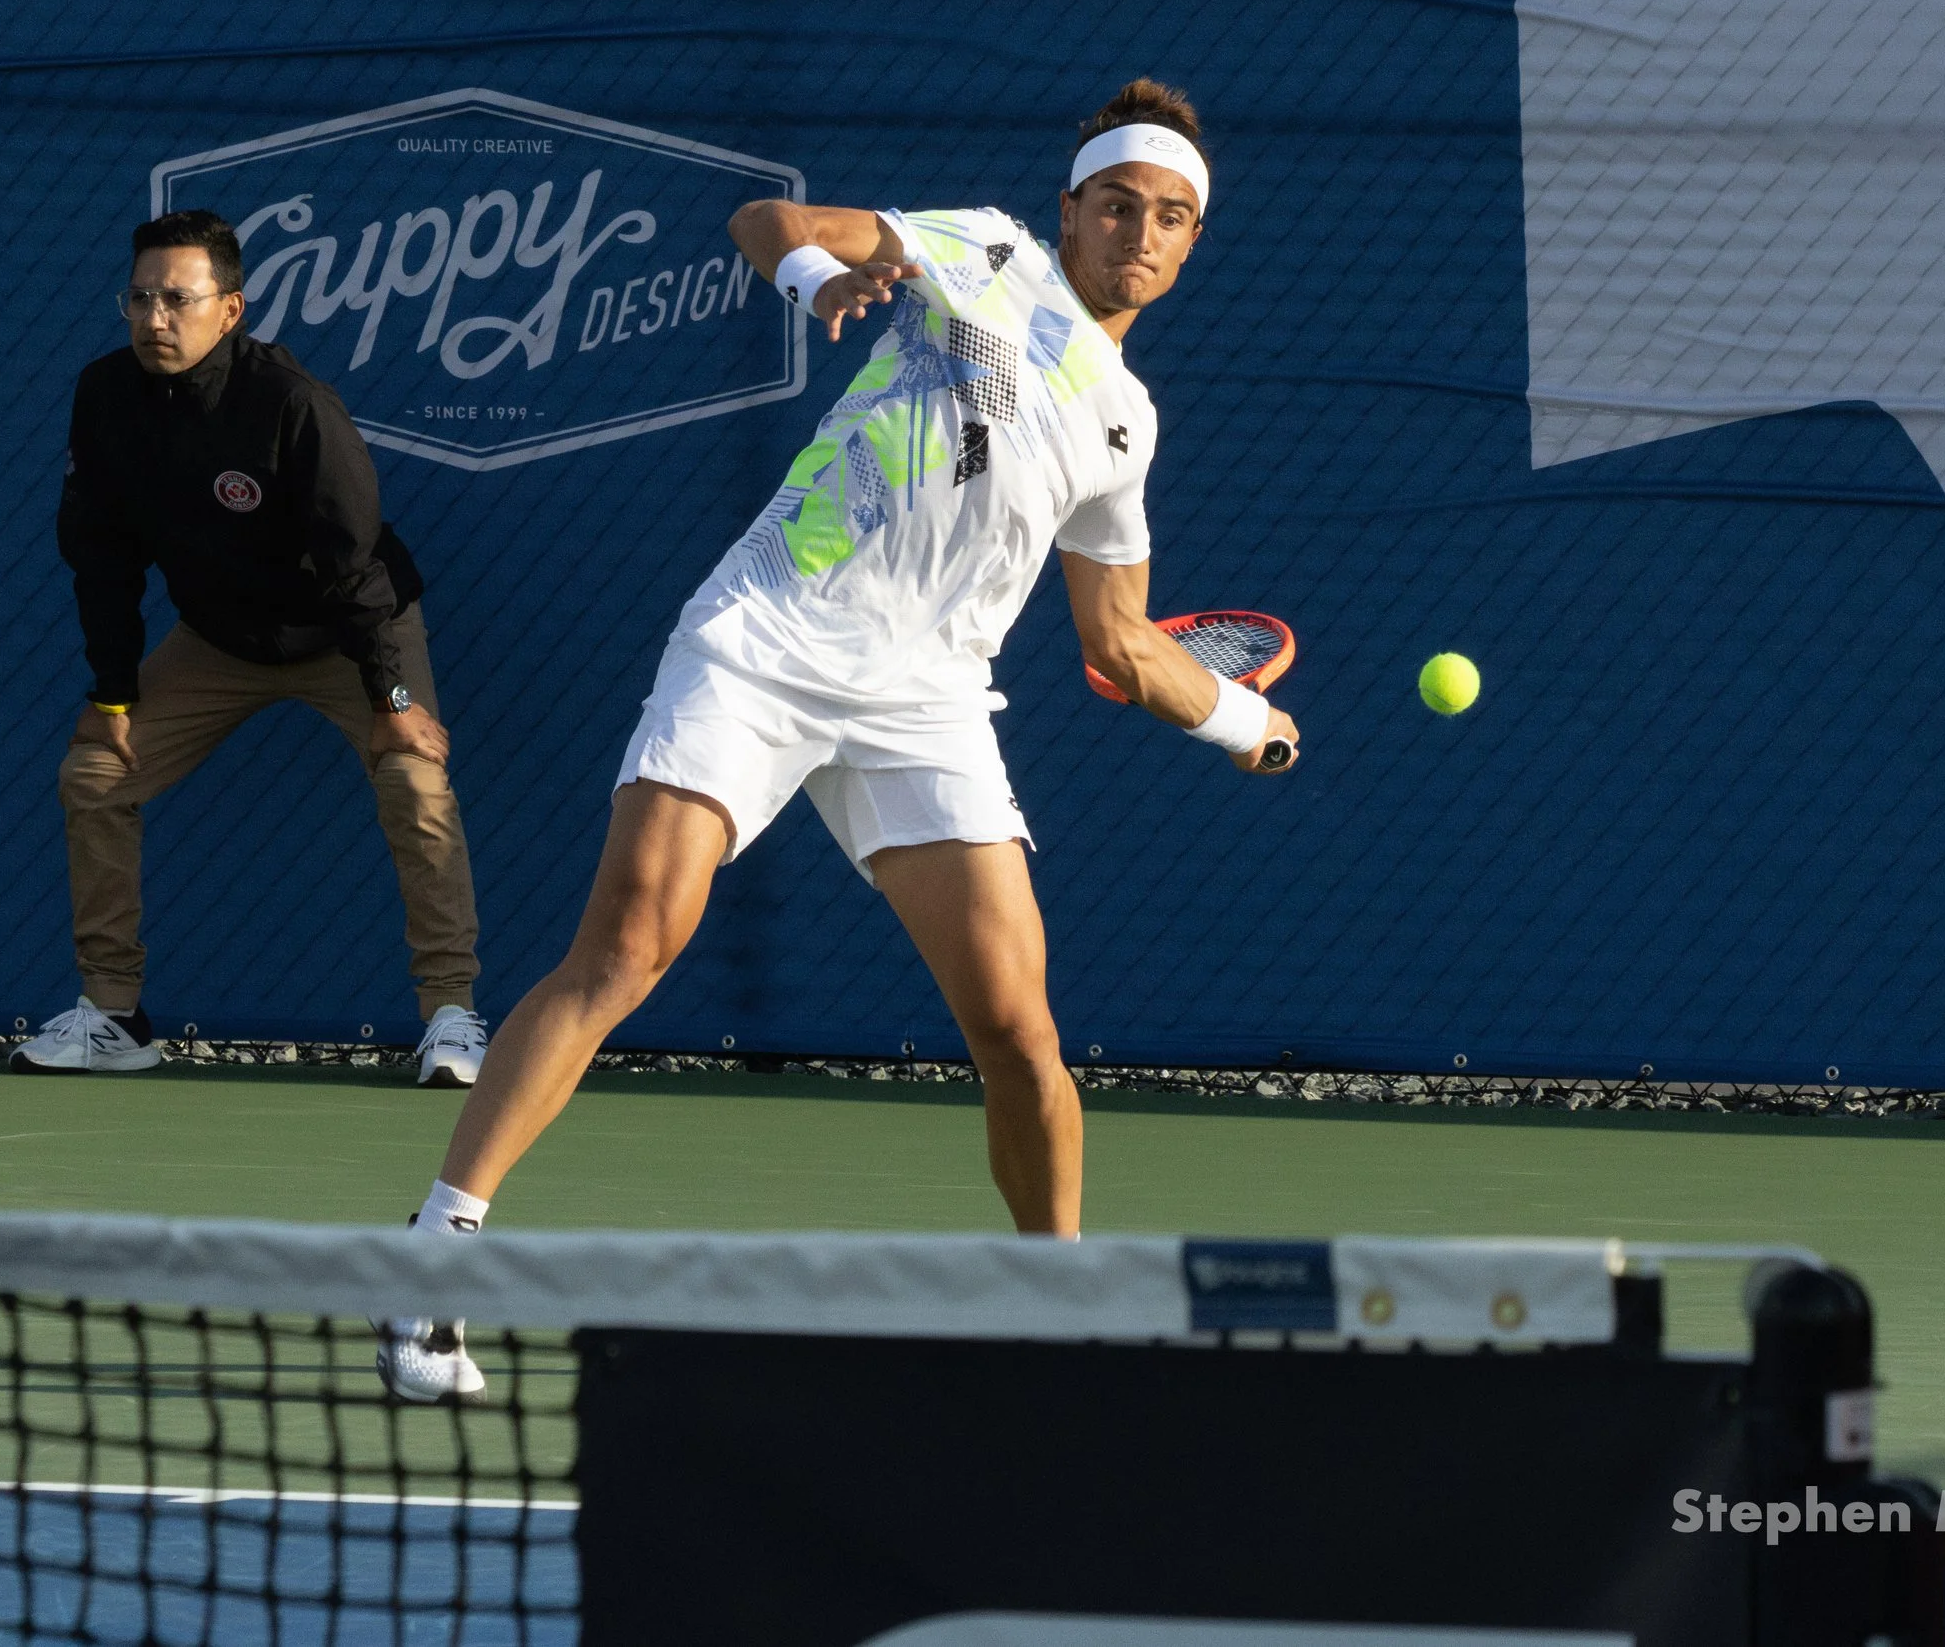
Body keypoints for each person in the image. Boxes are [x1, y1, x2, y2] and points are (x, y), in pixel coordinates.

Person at [377, 79, 1298, 1403]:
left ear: (1190, 242)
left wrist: (1251, 725)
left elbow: (1123, 641)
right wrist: (815, 273)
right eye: (1116, 206)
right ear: (1072, 210)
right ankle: (430, 1267)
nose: (1137, 233)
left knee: (1017, 1027)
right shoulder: (988, 253)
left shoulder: (1125, 424)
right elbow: (771, 214)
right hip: (768, 632)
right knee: (631, 939)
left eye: (1168, 218)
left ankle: (1059, 1317)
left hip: (926, 697)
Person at [28, 210, 490, 1087]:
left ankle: (453, 1018)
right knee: (93, 772)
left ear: (229, 310)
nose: (155, 318)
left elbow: (351, 562)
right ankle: (116, 1018)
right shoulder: (105, 395)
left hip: (351, 632)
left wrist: (393, 700)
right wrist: (114, 694)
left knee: (413, 779)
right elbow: (101, 555)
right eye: (139, 298)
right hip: (219, 640)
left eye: (177, 299)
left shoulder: (291, 403)